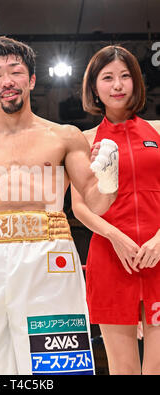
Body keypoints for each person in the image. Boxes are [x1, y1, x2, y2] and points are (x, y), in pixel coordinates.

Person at [0, 36, 118, 375]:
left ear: (31, 80)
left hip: (50, 260)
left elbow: (95, 201)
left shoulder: (64, 136)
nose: (7, 80)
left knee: (55, 371)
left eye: (16, 71)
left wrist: (108, 180)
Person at [71, 45, 160, 375]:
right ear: (95, 87)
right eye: (107, 77)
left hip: (159, 258)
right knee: (123, 369)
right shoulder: (84, 140)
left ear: (136, 82)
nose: (118, 84)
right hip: (111, 258)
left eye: (125, 76)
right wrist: (116, 237)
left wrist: (159, 240)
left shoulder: (158, 130)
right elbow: (79, 207)